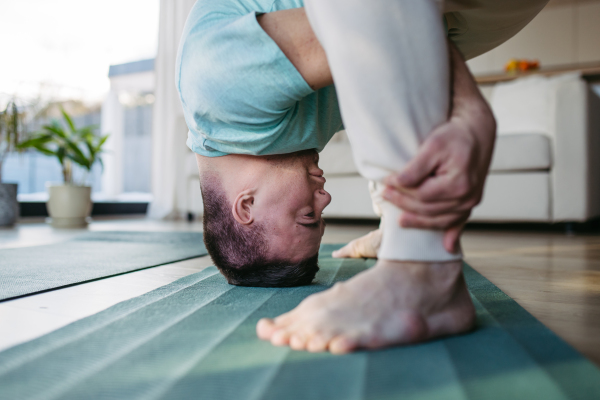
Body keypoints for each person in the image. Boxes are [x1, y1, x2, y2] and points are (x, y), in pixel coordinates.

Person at [177, 0, 549, 352]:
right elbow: (393, 42)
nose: (324, 199)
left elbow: (376, 16)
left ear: (246, 206)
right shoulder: (278, 131)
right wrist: (394, 218)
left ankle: (422, 270)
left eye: (308, 215)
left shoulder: (216, 88)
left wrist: (469, 107)